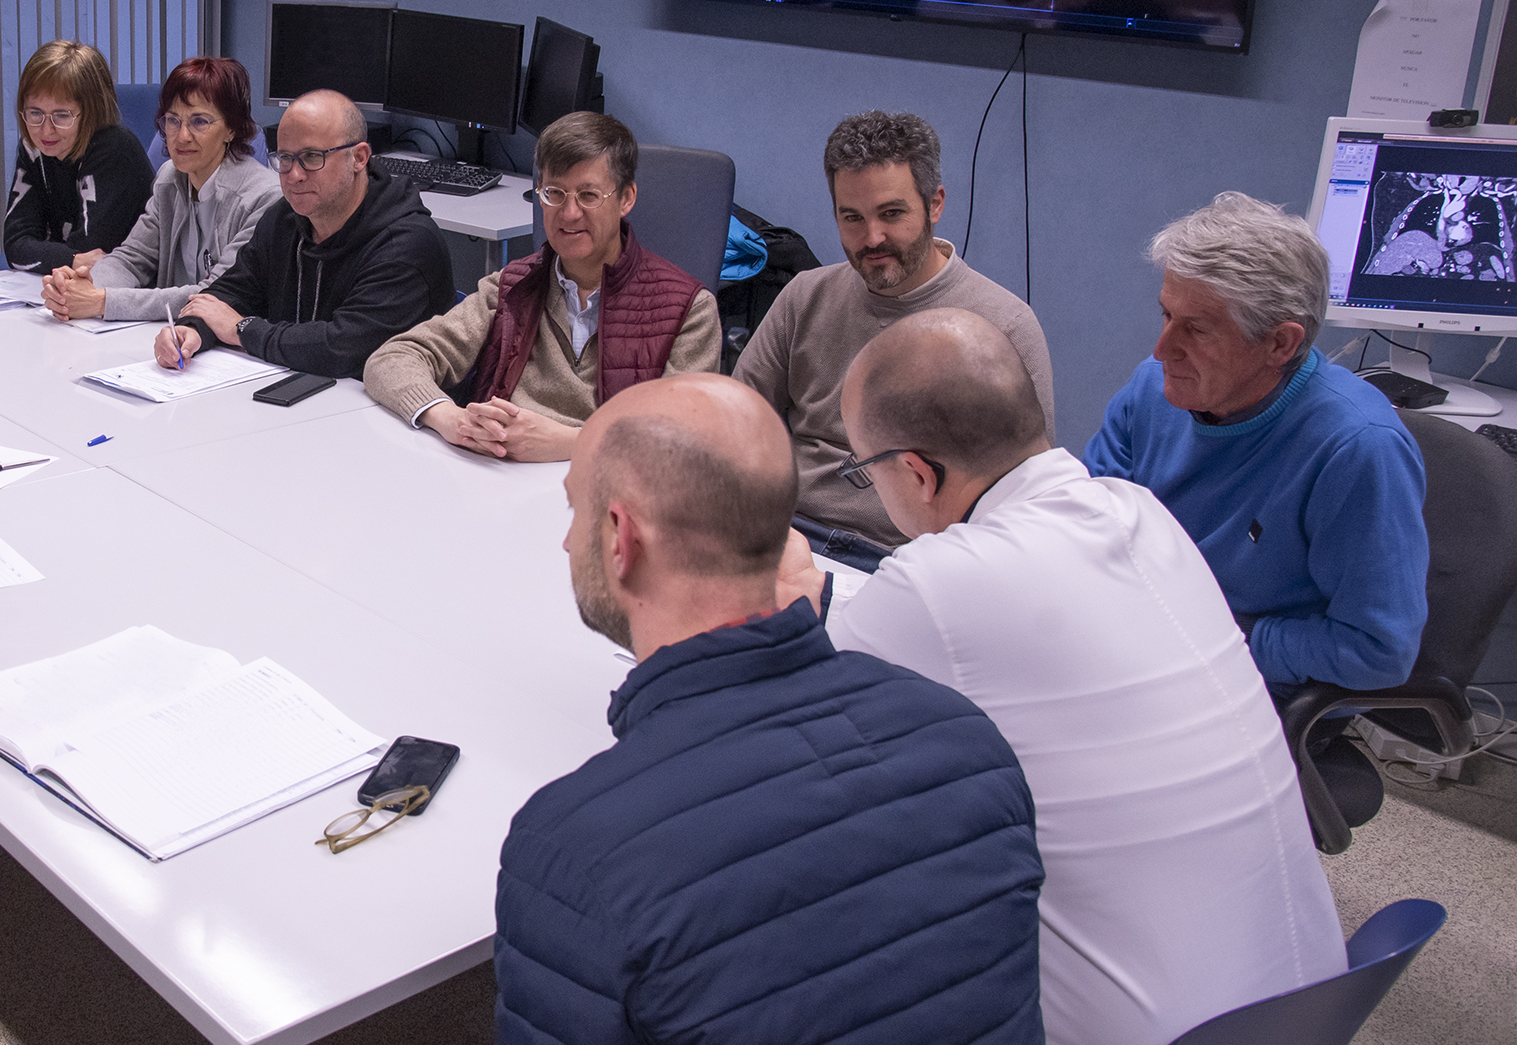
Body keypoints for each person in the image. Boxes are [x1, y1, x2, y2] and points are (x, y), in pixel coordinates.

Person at [286, 374, 1050, 1045]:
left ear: (620, 539)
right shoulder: (966, 738)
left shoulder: (582, 847)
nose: (564, 537)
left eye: (574, 510)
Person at [817, 308, 1347, 1045]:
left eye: (865, 471)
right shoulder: (1143, 515)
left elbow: (782, 758)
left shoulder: (933, 586)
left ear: (916, 472)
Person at [1084, 193, 1427, 716]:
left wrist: (1226, 638)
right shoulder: (1150, 391)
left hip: (1252, 689)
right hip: (1140, 650)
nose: (1162, 349)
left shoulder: (1357, 449)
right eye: (1166, 315)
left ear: (1280, 344)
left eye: (1197, 329)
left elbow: (1378, 651)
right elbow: (1086, 536)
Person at [734, 108, 1054, 566]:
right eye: (852, 218)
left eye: (891, 213)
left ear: (935, 204)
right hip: (790, 534)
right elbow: (736, 420)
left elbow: (1024, 495)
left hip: (908, 558)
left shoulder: (1004, 325)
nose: (872, 238)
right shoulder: (806, 296)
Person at [363, 112, 721, 460]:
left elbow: (686, 441)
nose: (569, 213)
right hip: (498, 477)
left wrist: (570, 443)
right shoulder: (512, 287)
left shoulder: (688, 310)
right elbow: (391, 359)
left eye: (588, 195)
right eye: (554, 193)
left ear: (626, 198)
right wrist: (451, 419)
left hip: (607, 488)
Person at [155, 90, 454, 380]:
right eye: (285, 158)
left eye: (312, 157)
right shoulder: (284, 218)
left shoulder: (407, 244)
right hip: (298, 395)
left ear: (359, 157)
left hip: (384, 409)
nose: (294, 175)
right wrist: (192, 329)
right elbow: (233, 293)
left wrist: (241, 329)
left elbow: (343, 347)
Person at [41, 55, 279, 323]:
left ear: (232, 129)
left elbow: (217, 294)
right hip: (167, 334)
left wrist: (102, 301)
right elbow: (132, 258)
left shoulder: (264, 199)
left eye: (199, 121)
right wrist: (78, 286)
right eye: (173, 120)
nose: (182, 136)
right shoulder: (170, 179)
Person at [0, 39, 153, 273]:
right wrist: (70, 258)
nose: (46, 130)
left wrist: (60, 256)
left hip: (128, 285)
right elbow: (16, 246)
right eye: (35, 113)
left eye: (62, 116)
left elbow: (93, 254)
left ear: (91, 112)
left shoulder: (114, 149)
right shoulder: (34, 147)